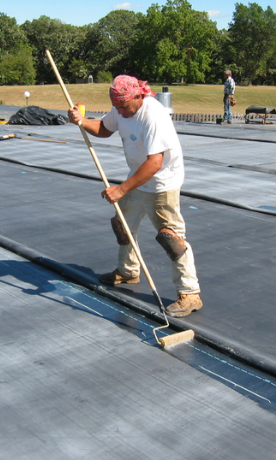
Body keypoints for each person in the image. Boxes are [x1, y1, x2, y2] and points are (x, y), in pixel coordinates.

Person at [67, 75, 203, 318]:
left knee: (170, 238)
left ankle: (190, 293)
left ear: (139, 96)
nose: (120, 112)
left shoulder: (153, 116)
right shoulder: (121, 107)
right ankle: (129, 271)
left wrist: (121, 189)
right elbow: (104, 128)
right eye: (116, 107)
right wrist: (81, 120)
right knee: (122, 225)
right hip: (138, 178)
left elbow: (155, 163)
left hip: (162, 183)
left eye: (123, 107)